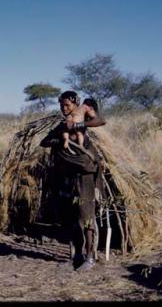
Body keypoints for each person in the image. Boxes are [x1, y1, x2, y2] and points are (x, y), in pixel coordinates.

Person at [40, 91, 106, 271]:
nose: (64, 108)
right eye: (61, 105)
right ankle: (76, 254)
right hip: (68, 178)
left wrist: (78, 124)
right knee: (71, 216)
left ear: (76, 103)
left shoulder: (81, 119)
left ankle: (90, 256)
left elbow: (100, 121)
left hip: (84, 176)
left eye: (67, 105)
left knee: (86, 215)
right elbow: (44, 142)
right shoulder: (63, 125)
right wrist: (61, 136)